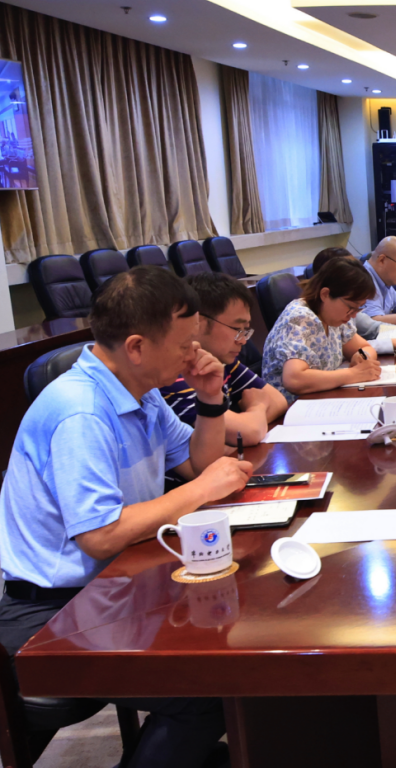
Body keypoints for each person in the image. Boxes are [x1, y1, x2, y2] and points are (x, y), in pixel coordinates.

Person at [0, 266, 251, 767]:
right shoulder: (81, 411)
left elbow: (197, 464)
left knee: (232, 638)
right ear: (136, 347)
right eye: (184, 344)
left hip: (113, 585)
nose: (194, 353)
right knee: (208, 691)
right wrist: (202, 490)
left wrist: (209, 398)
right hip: (49, 610)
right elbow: (100, 535)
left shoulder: (141, 391)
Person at [159, 273, 289, 445]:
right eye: (237, 329)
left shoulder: (221, 360)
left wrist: (249, 421)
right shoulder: (176, 374)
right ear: (198, 323)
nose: (243, 340)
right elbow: (249, 433)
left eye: (245, 330)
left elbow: (278, 401)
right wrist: (257, 406)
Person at [262, 257, 384, 403]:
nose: (353, 315)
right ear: (325, 294)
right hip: (290, 408)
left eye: (358, 308)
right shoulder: (300, 318)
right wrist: (353, 374)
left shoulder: (334, 317)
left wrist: (362, 357)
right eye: (351, 307)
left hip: (322, 399)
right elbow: (294, 379)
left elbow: (364, 347)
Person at [313, 248, 396, 355]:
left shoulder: (341, 317)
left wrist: (365, 357)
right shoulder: (306, 319)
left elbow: (364, 347)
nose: (353, 315)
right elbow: (371, 329)